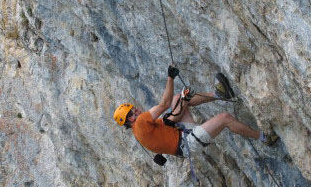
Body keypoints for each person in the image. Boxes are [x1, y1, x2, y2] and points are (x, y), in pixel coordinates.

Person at [113, 66, 278, 160]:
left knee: (178, 98)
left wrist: (183, 101)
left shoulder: (140, 132)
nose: (138, 111)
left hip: (183, 137)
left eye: (135, 109)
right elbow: (163, 105)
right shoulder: (141, 123)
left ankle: (220, 95)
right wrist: (170, 78)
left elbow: (171, 119)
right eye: (133, 113)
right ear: (129, 121)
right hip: (188, 143)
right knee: (225, 119)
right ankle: (264, 138)